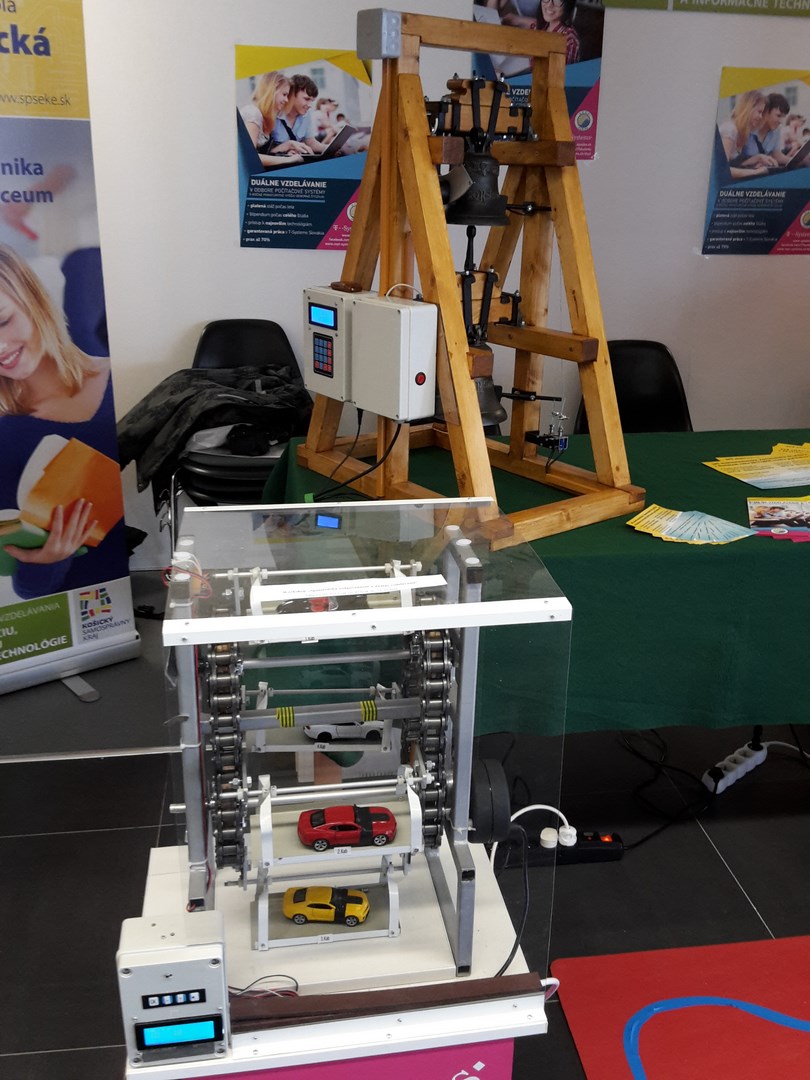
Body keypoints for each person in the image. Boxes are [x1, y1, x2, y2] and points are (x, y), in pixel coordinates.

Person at [0, 244, 123, 599]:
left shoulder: (120, 378)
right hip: (83, 611)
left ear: (32, 298)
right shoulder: (5, 435)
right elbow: (28, 591)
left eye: (3, 321)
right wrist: (47, 561)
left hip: (160, 588)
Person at [239, 71, 312, 168]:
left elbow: (262, 153)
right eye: (284, 94)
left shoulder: (265, 116)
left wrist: (289, 145)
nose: (286, 100)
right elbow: (249, 157)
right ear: (272, 91)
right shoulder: (253, 114)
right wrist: (289, 159)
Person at [718, 90, 778, 180]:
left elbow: (734, 164)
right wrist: (756, 172)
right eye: (759, 112)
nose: (761, 117)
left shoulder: (741, 131)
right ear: (749, 108)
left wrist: (758, 158)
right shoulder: (729, 130)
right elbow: (722, 170)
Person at [271, 74, 325, 155]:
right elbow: (264, 151)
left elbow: (310, 142)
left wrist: (329, 148)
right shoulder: (274, 114)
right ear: (292, 94)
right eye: (306, 99)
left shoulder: (306, 115)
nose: (310, 105)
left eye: (312, 101)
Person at [742, 93, 791, 166]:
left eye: (783, 117)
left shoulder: (776, 130)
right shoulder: (749, 128)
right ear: (766, 111)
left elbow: (777, 155)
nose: (781, 121)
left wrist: (799, 160)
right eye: (778, 115)